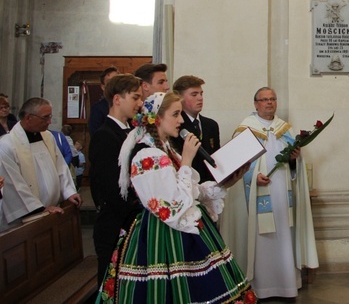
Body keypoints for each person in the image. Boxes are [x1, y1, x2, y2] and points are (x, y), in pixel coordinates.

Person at [96, 92, 254, 303]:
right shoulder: (147, 155)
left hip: (181, 227)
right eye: (176, 114)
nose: (181, 120)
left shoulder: (165, 149)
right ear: (157, 118)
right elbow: (172, 206)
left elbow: (192, 191)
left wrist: (225, 183)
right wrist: (187, 160)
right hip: (160, 234)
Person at [221, 87, 318, 300]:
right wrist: (252, 178)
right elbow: (234, 166)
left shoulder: (285, 130)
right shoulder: (245, 130)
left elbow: (296, 166)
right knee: (261, 240)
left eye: (272, 99)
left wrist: (294, 160)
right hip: (257, 196)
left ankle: (286, 284)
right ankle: (259, 286)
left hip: (283, 195)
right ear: (255, 104)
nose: (269, 103)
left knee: (284, 236)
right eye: (264, 100)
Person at [89, 74, 144, 287]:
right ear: (117, 99)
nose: (140, 103)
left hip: (130, 222)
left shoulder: (131, 132)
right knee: (112, 286)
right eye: (135, 97)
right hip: (115, 226)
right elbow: (111, 190)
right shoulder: (105, 135)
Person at [0, 98, 82, 232]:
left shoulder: (48, 137)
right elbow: (14, 184)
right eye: (45, 117)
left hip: (52, 211)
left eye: (50, 116)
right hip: (25, 219)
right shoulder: (7, 145)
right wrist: (39, 209)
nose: (49, 121)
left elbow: (60, 167)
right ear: (28, 117)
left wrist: (69, 192)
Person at [170, 75, 221, 183]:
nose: (200, 98)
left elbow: (216, 156)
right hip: (188, 183)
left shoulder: (211, 125)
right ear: (179, 97)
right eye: (194, 94)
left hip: (211, 185)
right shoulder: (175, 126)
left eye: (201, 93)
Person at [88, 66, 119, 136]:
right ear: (103, 87)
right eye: (109, 81)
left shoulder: (126, 105)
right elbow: (95, 135)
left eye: (116, 80)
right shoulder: (97, 109)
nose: (113, 84)